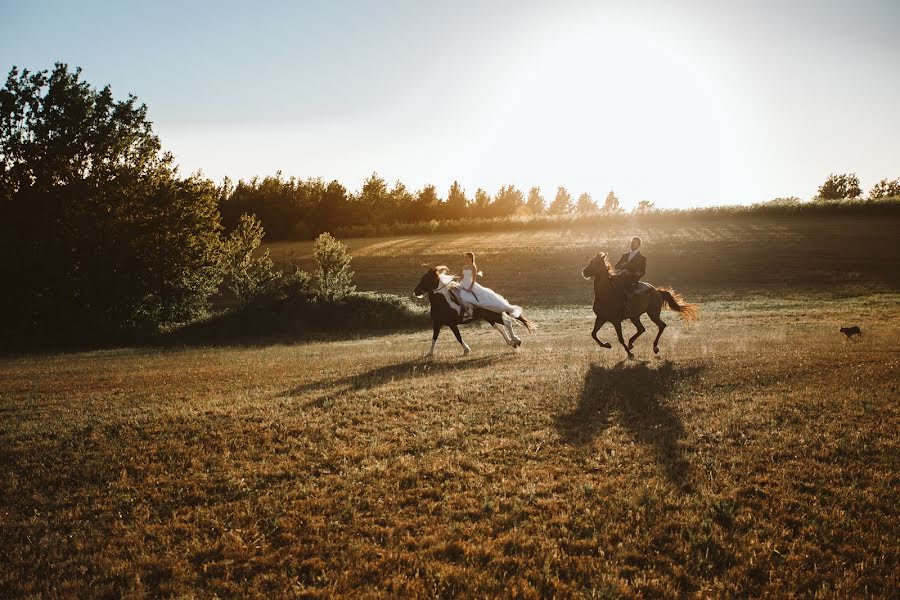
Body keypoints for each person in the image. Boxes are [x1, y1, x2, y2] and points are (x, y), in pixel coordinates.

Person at [455, 252, 522, 320]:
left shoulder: (473, 267)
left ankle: (471, 312)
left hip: (470, 285)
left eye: (467, 257)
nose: (465, 259)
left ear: (471, 258)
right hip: (463, 284)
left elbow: (473, 280)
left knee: (471, 298)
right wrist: (457, 282)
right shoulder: (465, 267)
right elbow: (463, 277)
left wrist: (470, 288)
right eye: (465, 257)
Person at [612, 237, 647, 306]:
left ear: (638, 245)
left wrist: (633, 274)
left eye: (634, 243)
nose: (632, 244)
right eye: (631, 242)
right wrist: (622, 266)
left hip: (631, 279)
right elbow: (616, 266)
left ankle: (626, 306)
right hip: (619, 276)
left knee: (623, 286)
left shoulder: (642, 258)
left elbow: (642, 272)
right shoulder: (624, 255)